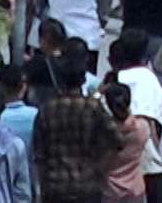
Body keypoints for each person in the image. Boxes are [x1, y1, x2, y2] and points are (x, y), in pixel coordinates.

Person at [35, 58, 124, 203]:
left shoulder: (46, 109)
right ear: (83, 81)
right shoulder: (93, 107)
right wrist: (100, 168)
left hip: (55, 187)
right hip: (87, 185)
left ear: (61, 81)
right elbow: (117, 141)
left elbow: (38, 152)